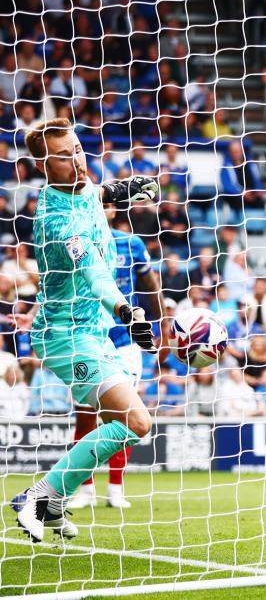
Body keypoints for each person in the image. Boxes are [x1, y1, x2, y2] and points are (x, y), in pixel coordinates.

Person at [11, 118, 160, 542]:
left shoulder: (83, 190)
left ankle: (54, 500)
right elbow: (95, 273)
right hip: (67, 335)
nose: (76, 160)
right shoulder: (58, 223)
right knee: (136, 421)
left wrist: (125, 187)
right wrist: (126, 310)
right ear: (44, 166)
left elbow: (97, 192)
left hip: (92, 332)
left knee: (123, 424)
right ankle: (40, 497)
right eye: (63, 156)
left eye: (77, 149)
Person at [67, 212, 164, 510]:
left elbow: (150, 286)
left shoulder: (131, 244)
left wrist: (162, 326)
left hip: (124, 343)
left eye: (106, 205)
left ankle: (116, 488)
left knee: (123, 417)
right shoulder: (75, 246)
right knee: (84, 416)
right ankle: (85, 489)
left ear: (112, 211)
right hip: (86, 339)